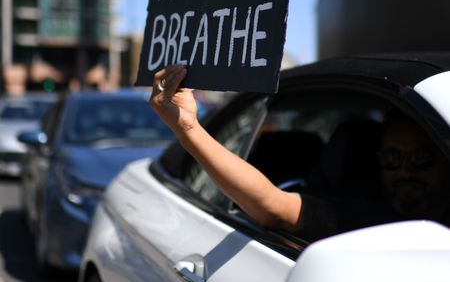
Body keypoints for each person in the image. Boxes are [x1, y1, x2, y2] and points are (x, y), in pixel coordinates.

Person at [150, 65, 450, 238]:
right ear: (379, 162)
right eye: (393, 158)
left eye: (421, 158)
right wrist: (189, 130)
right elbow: (273, 207)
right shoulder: (364, 219)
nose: (405, 171)